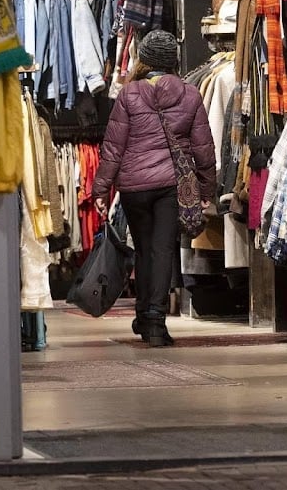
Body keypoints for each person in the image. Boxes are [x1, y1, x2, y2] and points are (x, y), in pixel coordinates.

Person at [92, 30, 216, 347]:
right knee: (163, 250)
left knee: (144, 249)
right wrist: (206, 190)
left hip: (134, 185)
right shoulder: (190, 94)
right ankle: (156, 323)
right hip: (171, 185)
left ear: (144, 60)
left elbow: (113, 148)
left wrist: (101, 189)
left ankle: (144, 315)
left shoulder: (129, 94)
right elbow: (204, 148)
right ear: (173, 60)